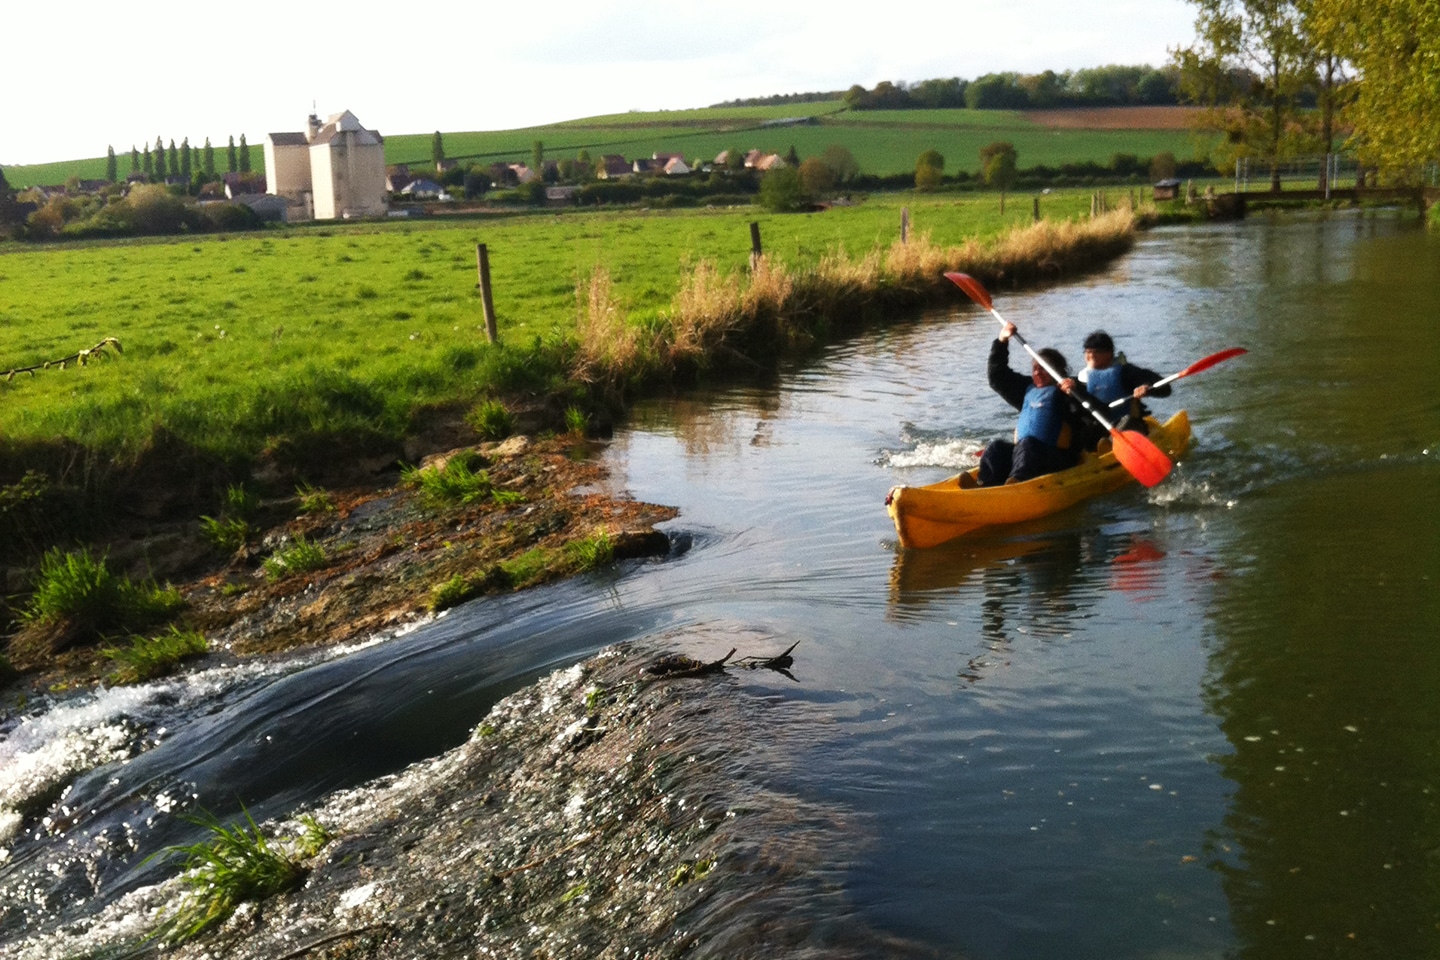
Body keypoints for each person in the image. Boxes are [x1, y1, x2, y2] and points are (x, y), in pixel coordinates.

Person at [975, 322, 1088, 487]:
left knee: (1028, 444)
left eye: (1043, 368)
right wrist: (1001, 341)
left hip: (1059, 459)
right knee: (996, 447)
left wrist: (1076, 393)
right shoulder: (1026, 389)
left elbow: (1087, 416)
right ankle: (983, 483)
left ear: (1057, 370)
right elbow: (997, 377)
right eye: (1035, 368)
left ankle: (1018, 483)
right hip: (1027, 457)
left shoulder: (1070, 390)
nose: (1037, 372)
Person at [1075, 330, 1171, 444]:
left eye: (1097, 352)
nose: (1091, 356)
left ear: (1109, 353)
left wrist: (1146, 387)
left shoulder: (1126, 372)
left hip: (1129, 425)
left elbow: (1166, 389)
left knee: (1126, 422)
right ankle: (1101, 446)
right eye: (1088, 352)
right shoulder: (1080, 379)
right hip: (1100, 428)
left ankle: (1110, 446)